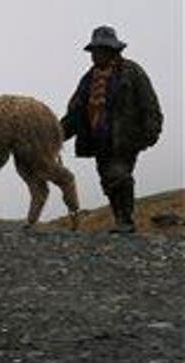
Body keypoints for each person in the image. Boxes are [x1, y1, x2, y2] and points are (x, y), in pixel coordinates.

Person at [61, 25, 163, 233]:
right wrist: (56, 134)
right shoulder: (89, 79)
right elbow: (76, 112)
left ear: (112, 50)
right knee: (108, 180)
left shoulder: (132, 72)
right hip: (98, 139)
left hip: (125, 137)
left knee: (119, 174)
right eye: (94, 51)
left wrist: (150, 133)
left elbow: (149, 104)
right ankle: (121, 220)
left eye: (101, 50)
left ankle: (125, 221)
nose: (96, 55)